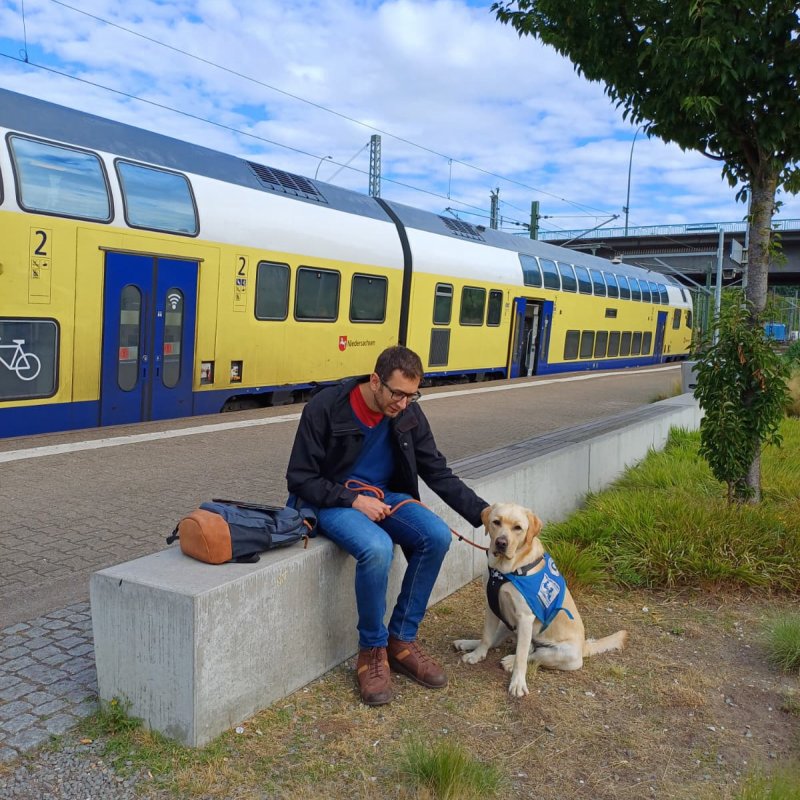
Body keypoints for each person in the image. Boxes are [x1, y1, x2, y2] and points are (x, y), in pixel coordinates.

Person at [286, 345, 488, 705]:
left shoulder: (408, 413)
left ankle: (402, 640)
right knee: (377, 549)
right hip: (332, 500)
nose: (404, 404)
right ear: (375, 380)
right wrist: (355, 500)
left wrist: (483, 512)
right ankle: (372, 651)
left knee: (437, 537)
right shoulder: (326, 407)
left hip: (385, 497)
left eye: (413, 395)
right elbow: (300, 478)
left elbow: (436, 471)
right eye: (398, 394)